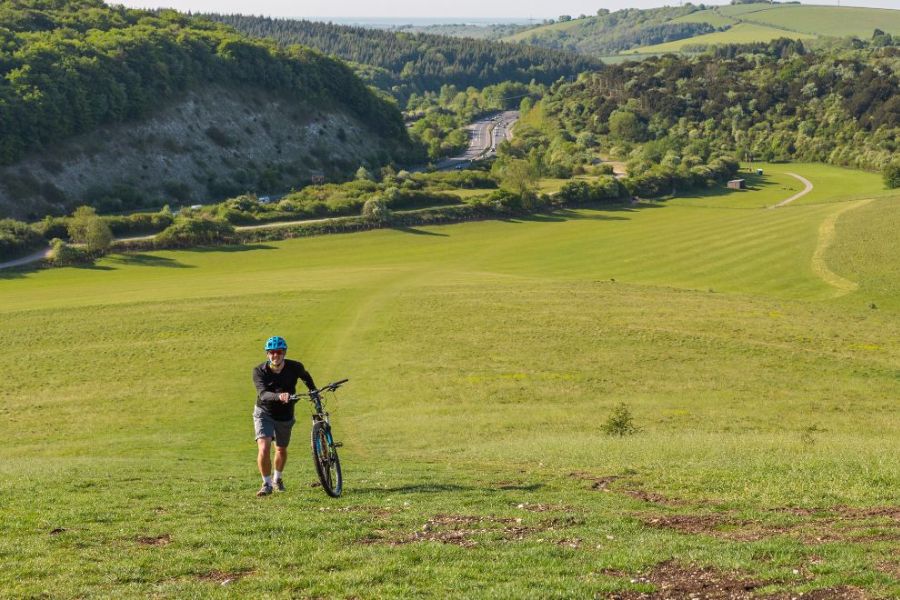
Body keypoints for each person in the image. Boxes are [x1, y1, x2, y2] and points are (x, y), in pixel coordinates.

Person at [252, 335, 317, 497]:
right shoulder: (259, 371)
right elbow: (262, 394)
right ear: (267, 354)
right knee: (264, 447)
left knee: (281, 448)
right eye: (272, 352)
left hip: (285, 414)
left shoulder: (295, 367)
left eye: (279, 352)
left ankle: (277, 479)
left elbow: (306, 377)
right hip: (264, 412)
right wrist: (279, 396)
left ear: (284, 353)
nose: (276, 356)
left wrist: (313, 391)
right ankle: (266, 484)